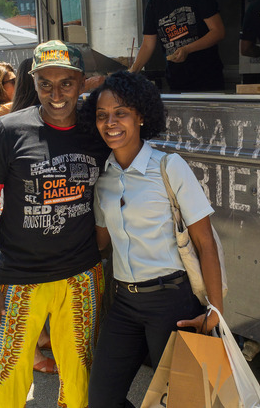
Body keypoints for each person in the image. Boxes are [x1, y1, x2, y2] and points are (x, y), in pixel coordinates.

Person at [0, 40, 110, 407]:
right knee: (6, 376)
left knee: (80, 375)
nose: (56, 93)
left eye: (66, 82)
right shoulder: (9, 131)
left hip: (80, 277)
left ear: (82, 83)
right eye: (45, 83)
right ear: (34, 83)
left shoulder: (97, 133)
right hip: (19, 278)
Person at [79, 71, 223, 407]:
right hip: (124, 304)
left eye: (121, 113)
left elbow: (205, 243)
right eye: (102, 116)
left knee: (181, 401)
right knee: (101, 398)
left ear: (141, 116)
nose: (110, 123)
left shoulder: (169, 167)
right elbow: (100, 243)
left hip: (171, 302)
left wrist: (215, 310)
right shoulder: (103, 179)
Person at [128, 0, 226, 91]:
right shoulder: (154, 4)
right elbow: (147, 45)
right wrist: (132, 71)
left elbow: (218, 31)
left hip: (208, 79)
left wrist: (187, 49)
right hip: (176, 82)